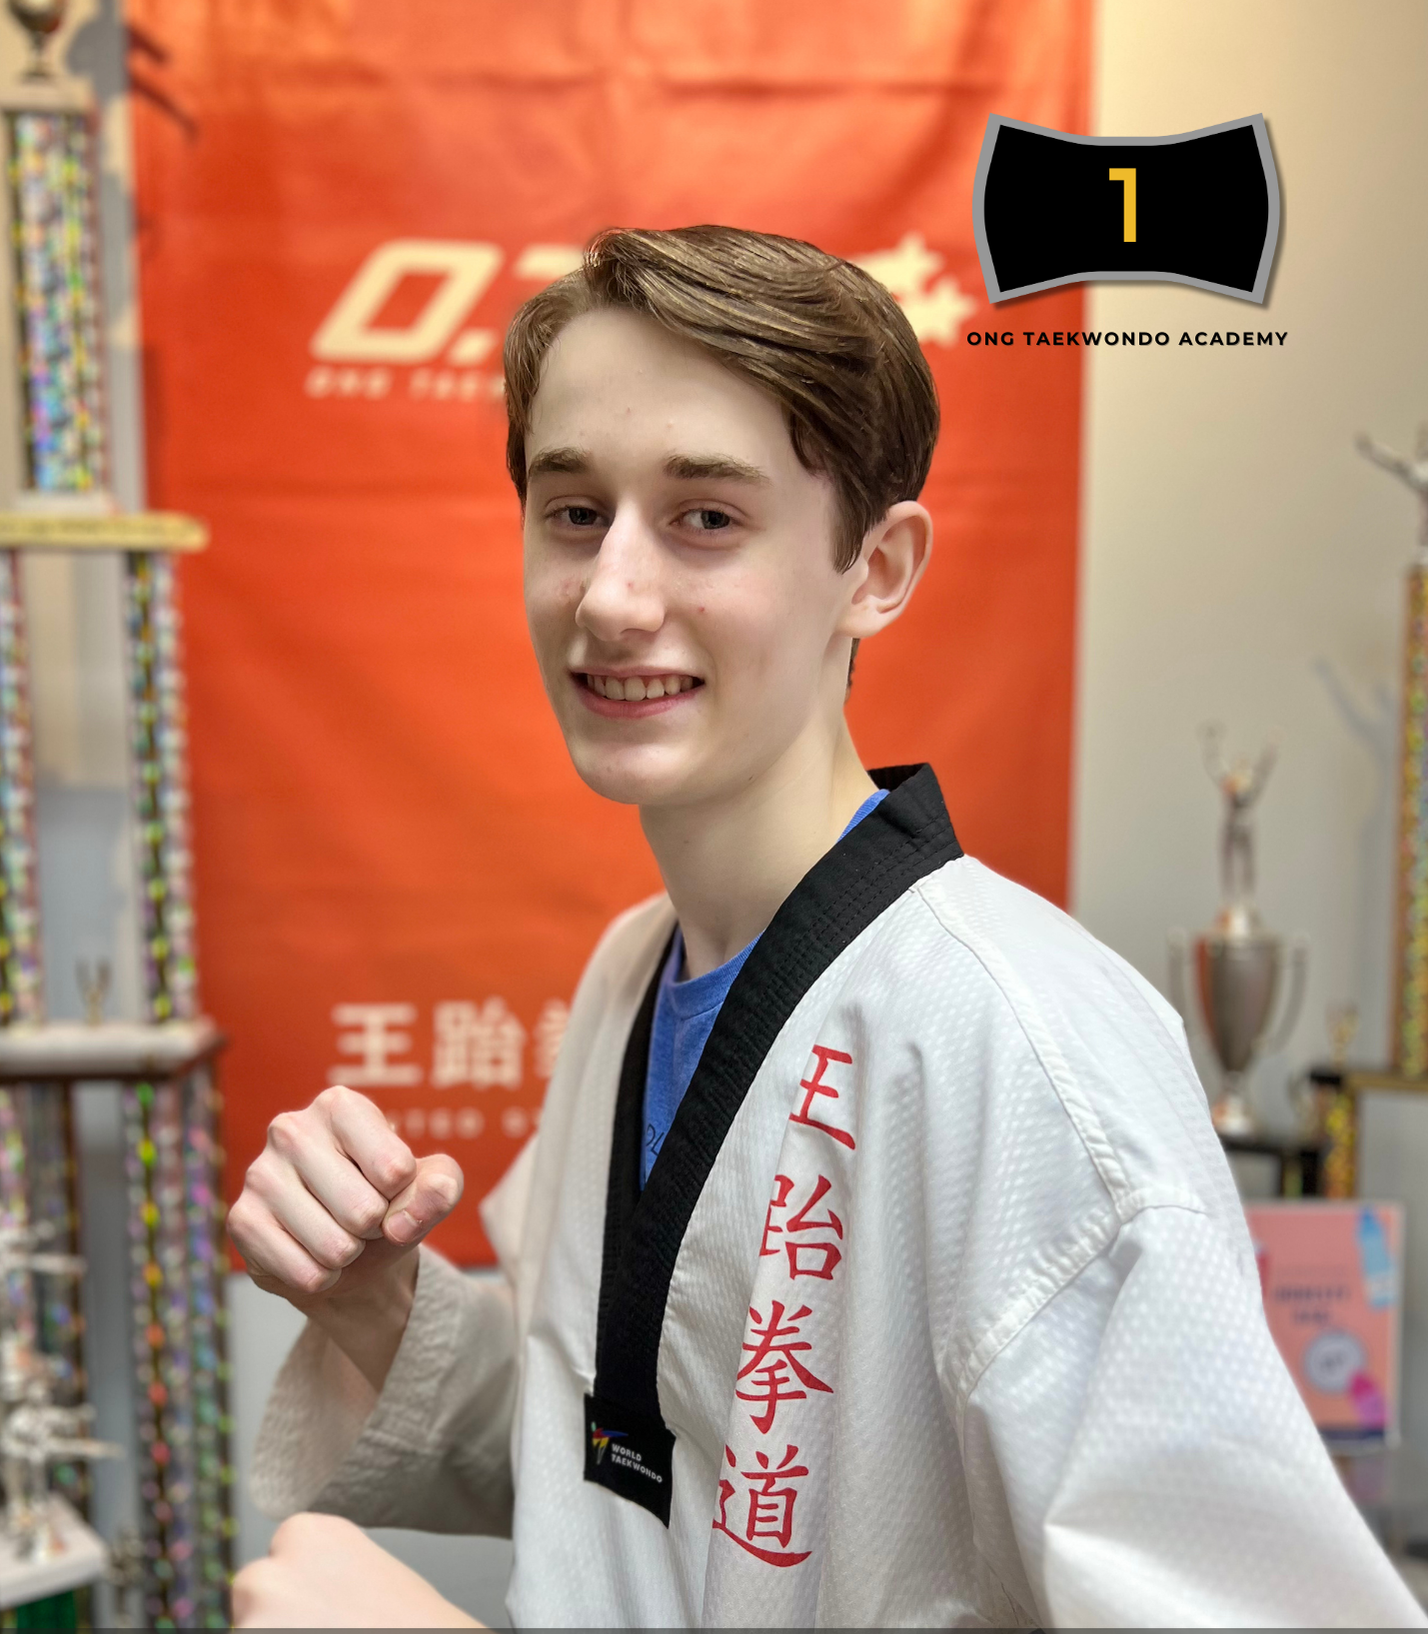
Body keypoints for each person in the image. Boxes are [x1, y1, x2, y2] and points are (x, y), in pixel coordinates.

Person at [229, 226, 1425, 1629]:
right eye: (572, 510)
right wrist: (378, 1299)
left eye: (706, 517)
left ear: (877, 567)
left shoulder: (1023, 1058)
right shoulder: (633, 976)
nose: (611, 595)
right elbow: (631, 1462)